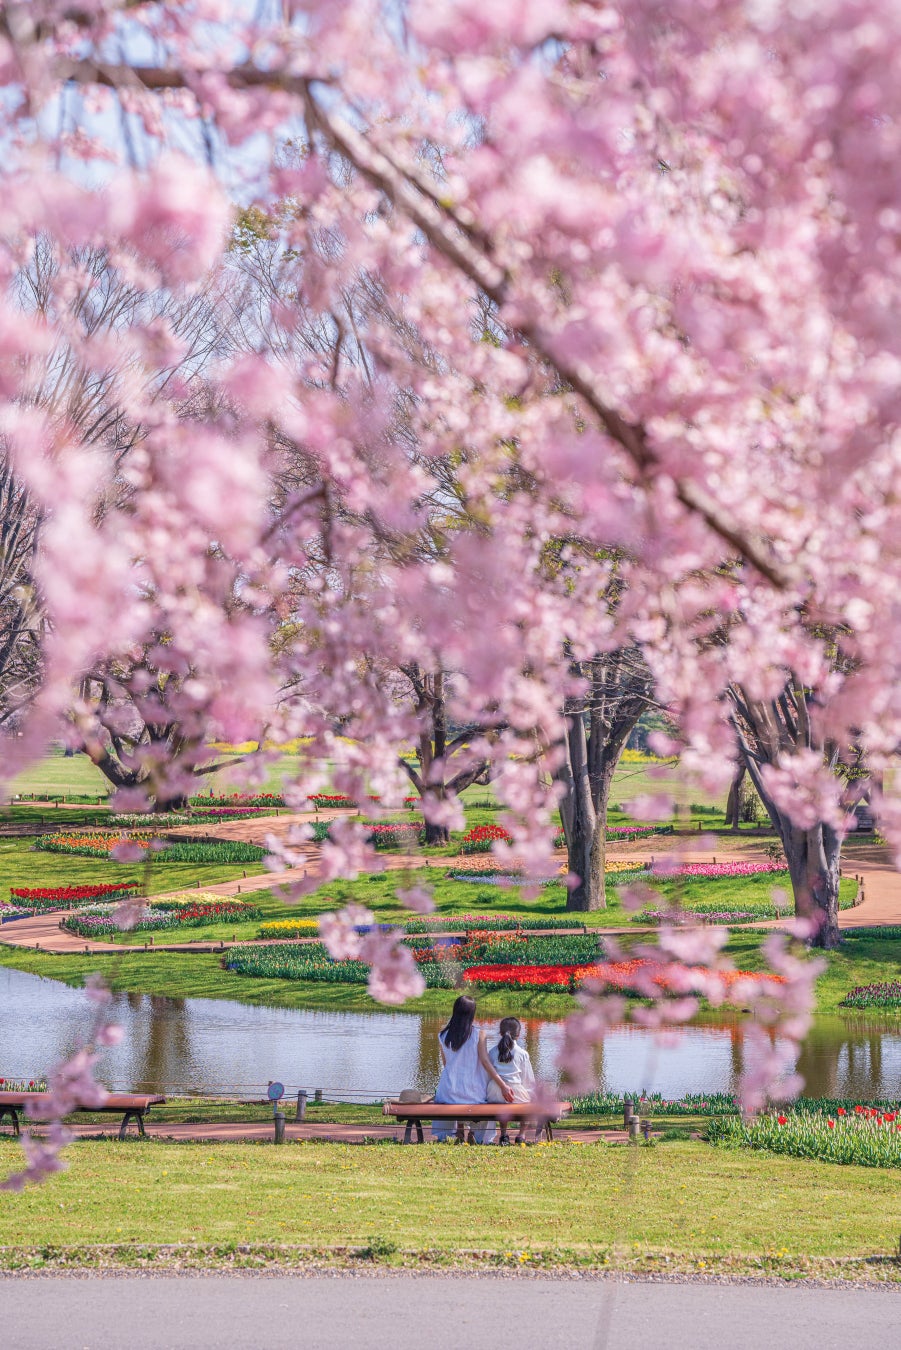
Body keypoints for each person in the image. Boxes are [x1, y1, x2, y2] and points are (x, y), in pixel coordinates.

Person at [432, 995, 513, 1143]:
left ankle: (460, 1130)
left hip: (448, 1092)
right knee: (481, 1097)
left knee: (458, 1096)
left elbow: (446, 1065)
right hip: (473, 1093)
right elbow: (485, 1062)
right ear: (472, 1014)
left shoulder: (442, 1035)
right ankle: (474, 1133)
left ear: (455, 1010)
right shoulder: (478, 1034)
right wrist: (503, 1085)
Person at [486, 1017, 536, 1144]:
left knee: (503, 1103)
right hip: (515, 1092)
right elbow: (528, 1080)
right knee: (530, 1100)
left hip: (494, 1092)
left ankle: (503, 1134)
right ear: (518, 1034)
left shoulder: (492, 1052)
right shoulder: (522, 1053)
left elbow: (487, 1076)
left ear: (500, 1033)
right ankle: (521, 1135)